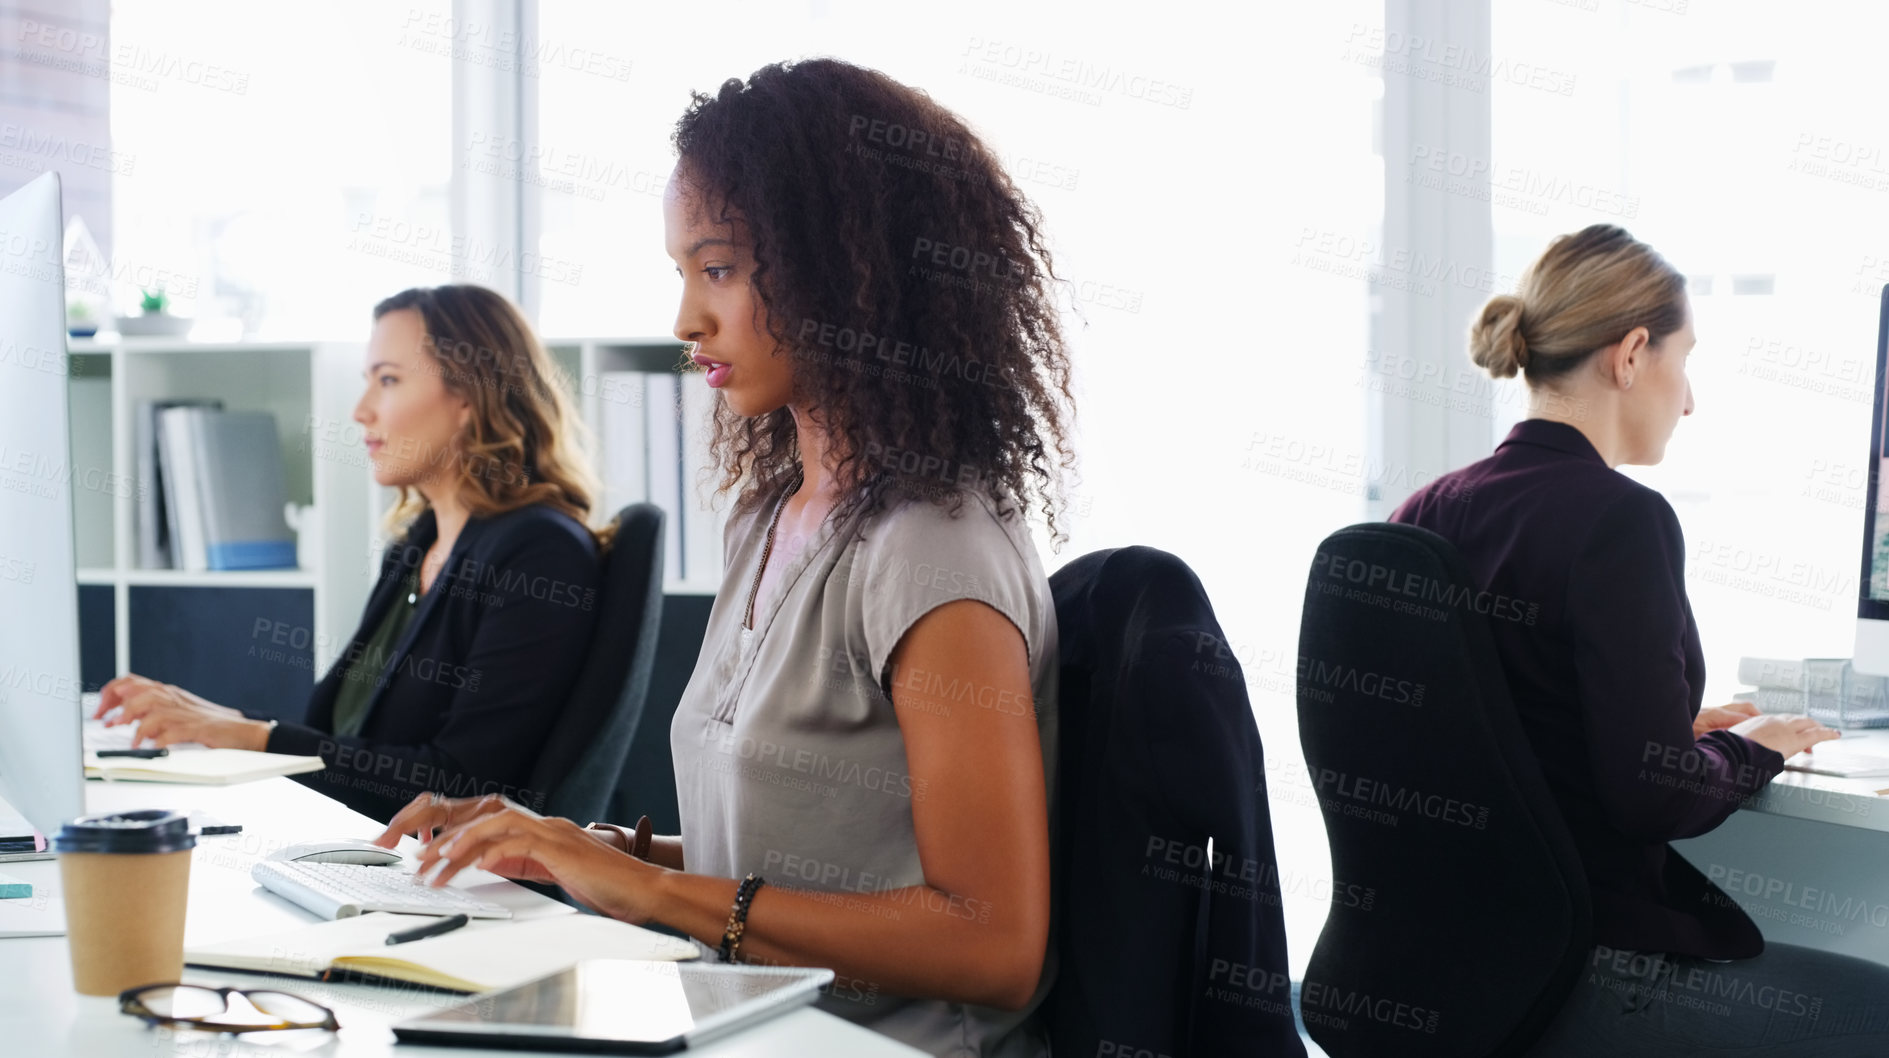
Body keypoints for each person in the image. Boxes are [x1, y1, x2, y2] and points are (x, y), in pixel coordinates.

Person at [374, 58, 1078, 1057]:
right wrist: (569, 848)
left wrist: (655, 889)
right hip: (746, 1027)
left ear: (849, 269)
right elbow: (796, 861)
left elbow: (991, 941)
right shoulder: (767, 517)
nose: (685, 320)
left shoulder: (933, 549)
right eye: (682, 273)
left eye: (719, 269)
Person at [1393, 224, 1889, 1053]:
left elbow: (1490, 724)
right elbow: (1652, 797)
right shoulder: (1620, 520)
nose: (1687, 399)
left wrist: (1665, 730)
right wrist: (1756, 744)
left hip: (1444, 965)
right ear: (1629, 356)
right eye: (1682, 359)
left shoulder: (1426, 511)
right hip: (1578, 974)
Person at [95, 284, 606, 823]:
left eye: (387, 380)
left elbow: (462, 785)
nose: (361, 411)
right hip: (369, 852)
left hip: (454, 883)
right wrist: (215, 720)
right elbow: (340, 740)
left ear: (468, 396)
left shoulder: (540, 555)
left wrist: (253, 736)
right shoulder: (420, 543)